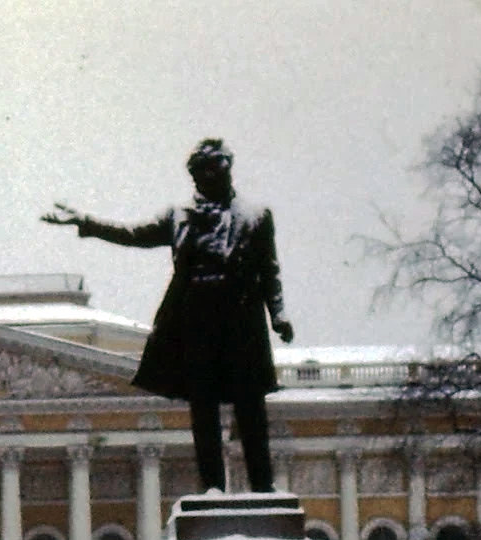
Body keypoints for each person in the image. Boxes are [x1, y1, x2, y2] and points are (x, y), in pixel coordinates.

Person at [44, 139, 294, 494]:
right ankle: (212, 486)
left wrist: (279, 315)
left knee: (250, 406)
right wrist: (87, 222)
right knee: (202, 406)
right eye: (198, 174)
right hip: (196, 319)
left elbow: (269, 270)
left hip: (242, 320)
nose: (203, 180)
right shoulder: (178, 216)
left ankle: (263, 485)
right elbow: (133, 234)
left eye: (211, 171)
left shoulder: (256, 216)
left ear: (225, 170)